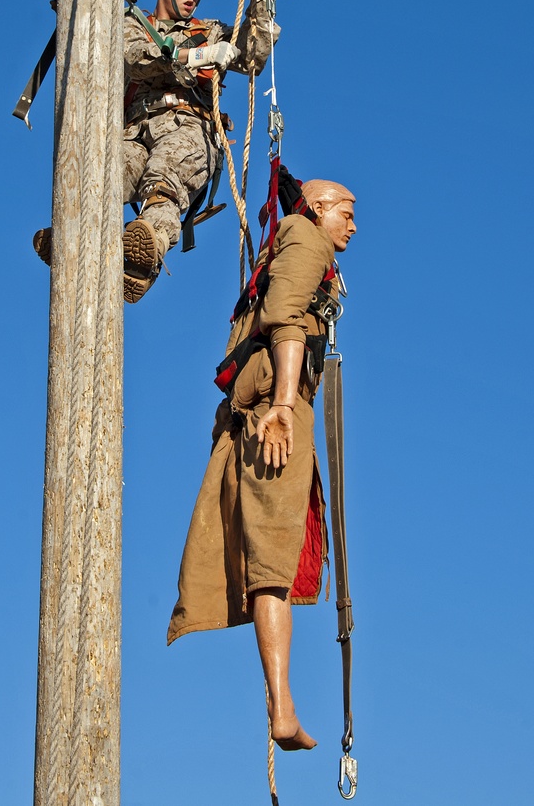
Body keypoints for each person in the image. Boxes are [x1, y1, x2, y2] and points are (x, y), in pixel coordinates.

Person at [167, 178, 356, 751]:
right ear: (318, 209)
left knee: (272, 557)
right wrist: (281, 406)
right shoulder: (305, 237)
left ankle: (282, 702)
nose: (352, 225)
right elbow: (284, 316)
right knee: (273, 560)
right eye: (346, 212)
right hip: (277, 410)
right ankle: (282, 705)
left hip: (257, 413)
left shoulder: (288, 242)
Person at [34, 0, 277, 302]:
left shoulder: (210, 30)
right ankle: (84, 239)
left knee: (163, 178)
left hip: (189, 128)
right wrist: (195, 56)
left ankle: (148, 246)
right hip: (135, 130)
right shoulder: (131, 25)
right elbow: (135, 57)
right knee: (101, 176)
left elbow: (255, 53)